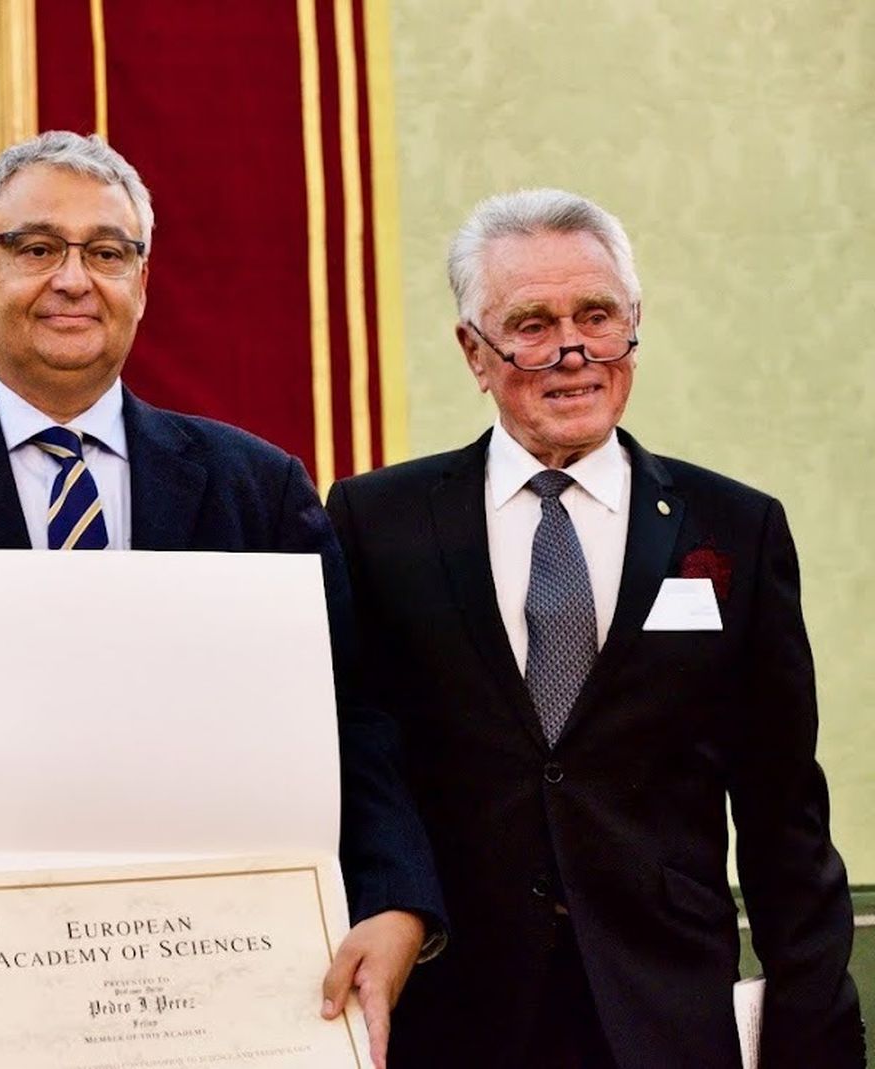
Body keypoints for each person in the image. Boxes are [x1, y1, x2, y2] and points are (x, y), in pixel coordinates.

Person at [0, 130, 445, 1068]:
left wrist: (397, 899)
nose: (74, 279)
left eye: (107, 251)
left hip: (213, 996)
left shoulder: (258, 487)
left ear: (142, 281)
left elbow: (352, 720)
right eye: (37, 248)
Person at [326, 188, 865, 1068]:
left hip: (665, 1009)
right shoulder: (376, 523)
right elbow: (356, 760)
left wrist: (819, 1034)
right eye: (531, 323)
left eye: (598, 315)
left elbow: (783, 810)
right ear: (474, 349)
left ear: (634, 326)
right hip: (453, 1011)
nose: (573, 349)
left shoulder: (734, 527)